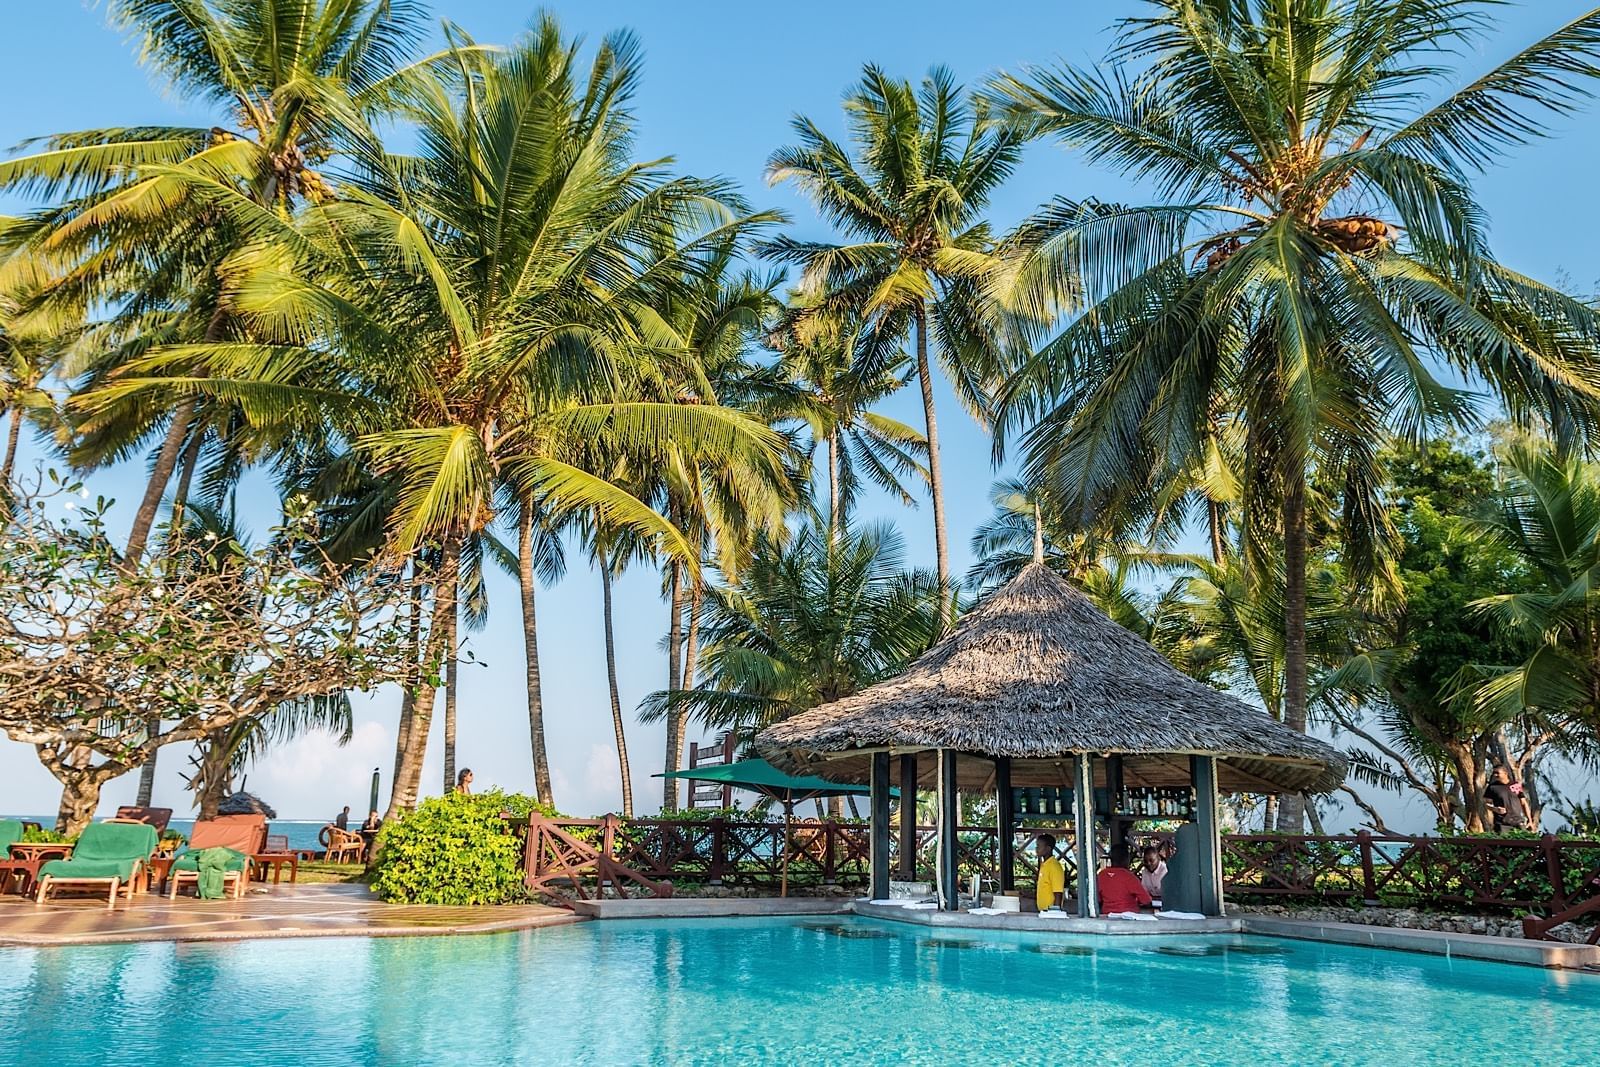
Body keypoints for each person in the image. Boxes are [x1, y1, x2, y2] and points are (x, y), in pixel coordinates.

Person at [1097, 844, 1154, 915]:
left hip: (1107, 916)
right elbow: (1146, 901)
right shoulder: (1129, 877)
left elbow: (1097, 899)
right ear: (1126, 859)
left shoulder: (1101, 875)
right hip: (1129, 917)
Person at [1484, 767, 1530, 832]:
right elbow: (1485, 804)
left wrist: (1529, 820)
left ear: (1505, 773)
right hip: (1502, 824)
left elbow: (1523, 803)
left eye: (1497, 773)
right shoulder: (1492, 787)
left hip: (1519, 822)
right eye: (1494, 773)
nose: (1495, 775)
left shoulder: (1516, 785)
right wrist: (1495, 809)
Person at [1034, 834, 1066, 912]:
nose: (1036, 849)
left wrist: (1055, 913)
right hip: (1043, 911)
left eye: (1039, 846)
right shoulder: (1044, 865)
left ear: (1048, 849)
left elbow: (1058, 893)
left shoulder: (1054, 866)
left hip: (1050, 912)